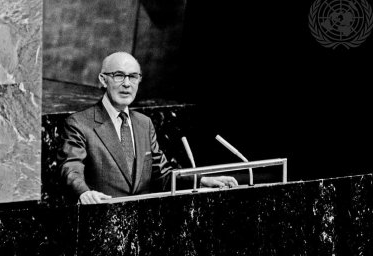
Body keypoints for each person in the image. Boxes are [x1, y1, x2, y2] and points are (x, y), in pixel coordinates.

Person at [57, 51, 238, 204]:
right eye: (119, 75)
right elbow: (71, 168)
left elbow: (163, 176)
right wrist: (84, 193)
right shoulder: (80, 123)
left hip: (142, 229)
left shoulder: (144, 123)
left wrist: (202, 181)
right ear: (103, 80)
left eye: (133, 76)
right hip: (102, 226)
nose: (127, 84)